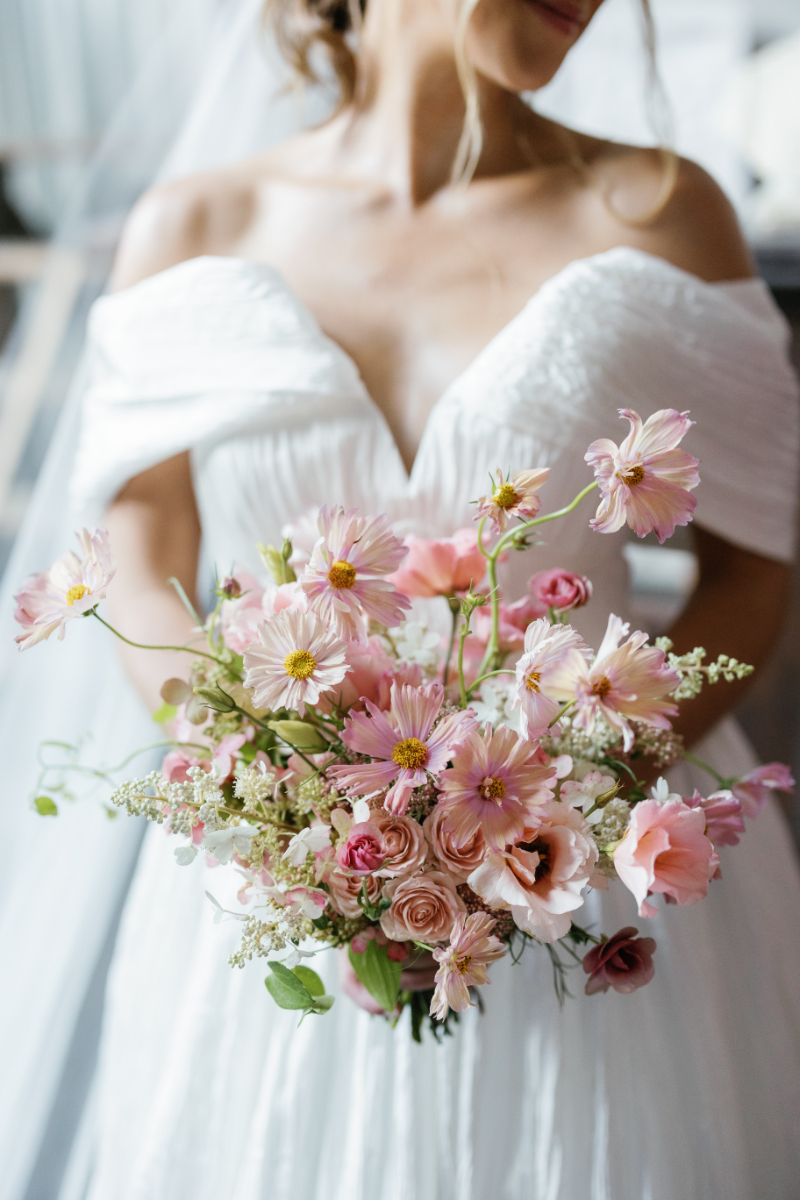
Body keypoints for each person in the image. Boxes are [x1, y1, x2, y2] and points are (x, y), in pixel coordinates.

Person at [17, 0, 800, 1196]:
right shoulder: (195, 225)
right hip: (270, 897)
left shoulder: (657, 211)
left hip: (593, 896)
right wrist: (281, 806)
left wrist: (570, 801)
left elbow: (753, 570)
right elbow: (146, 547)